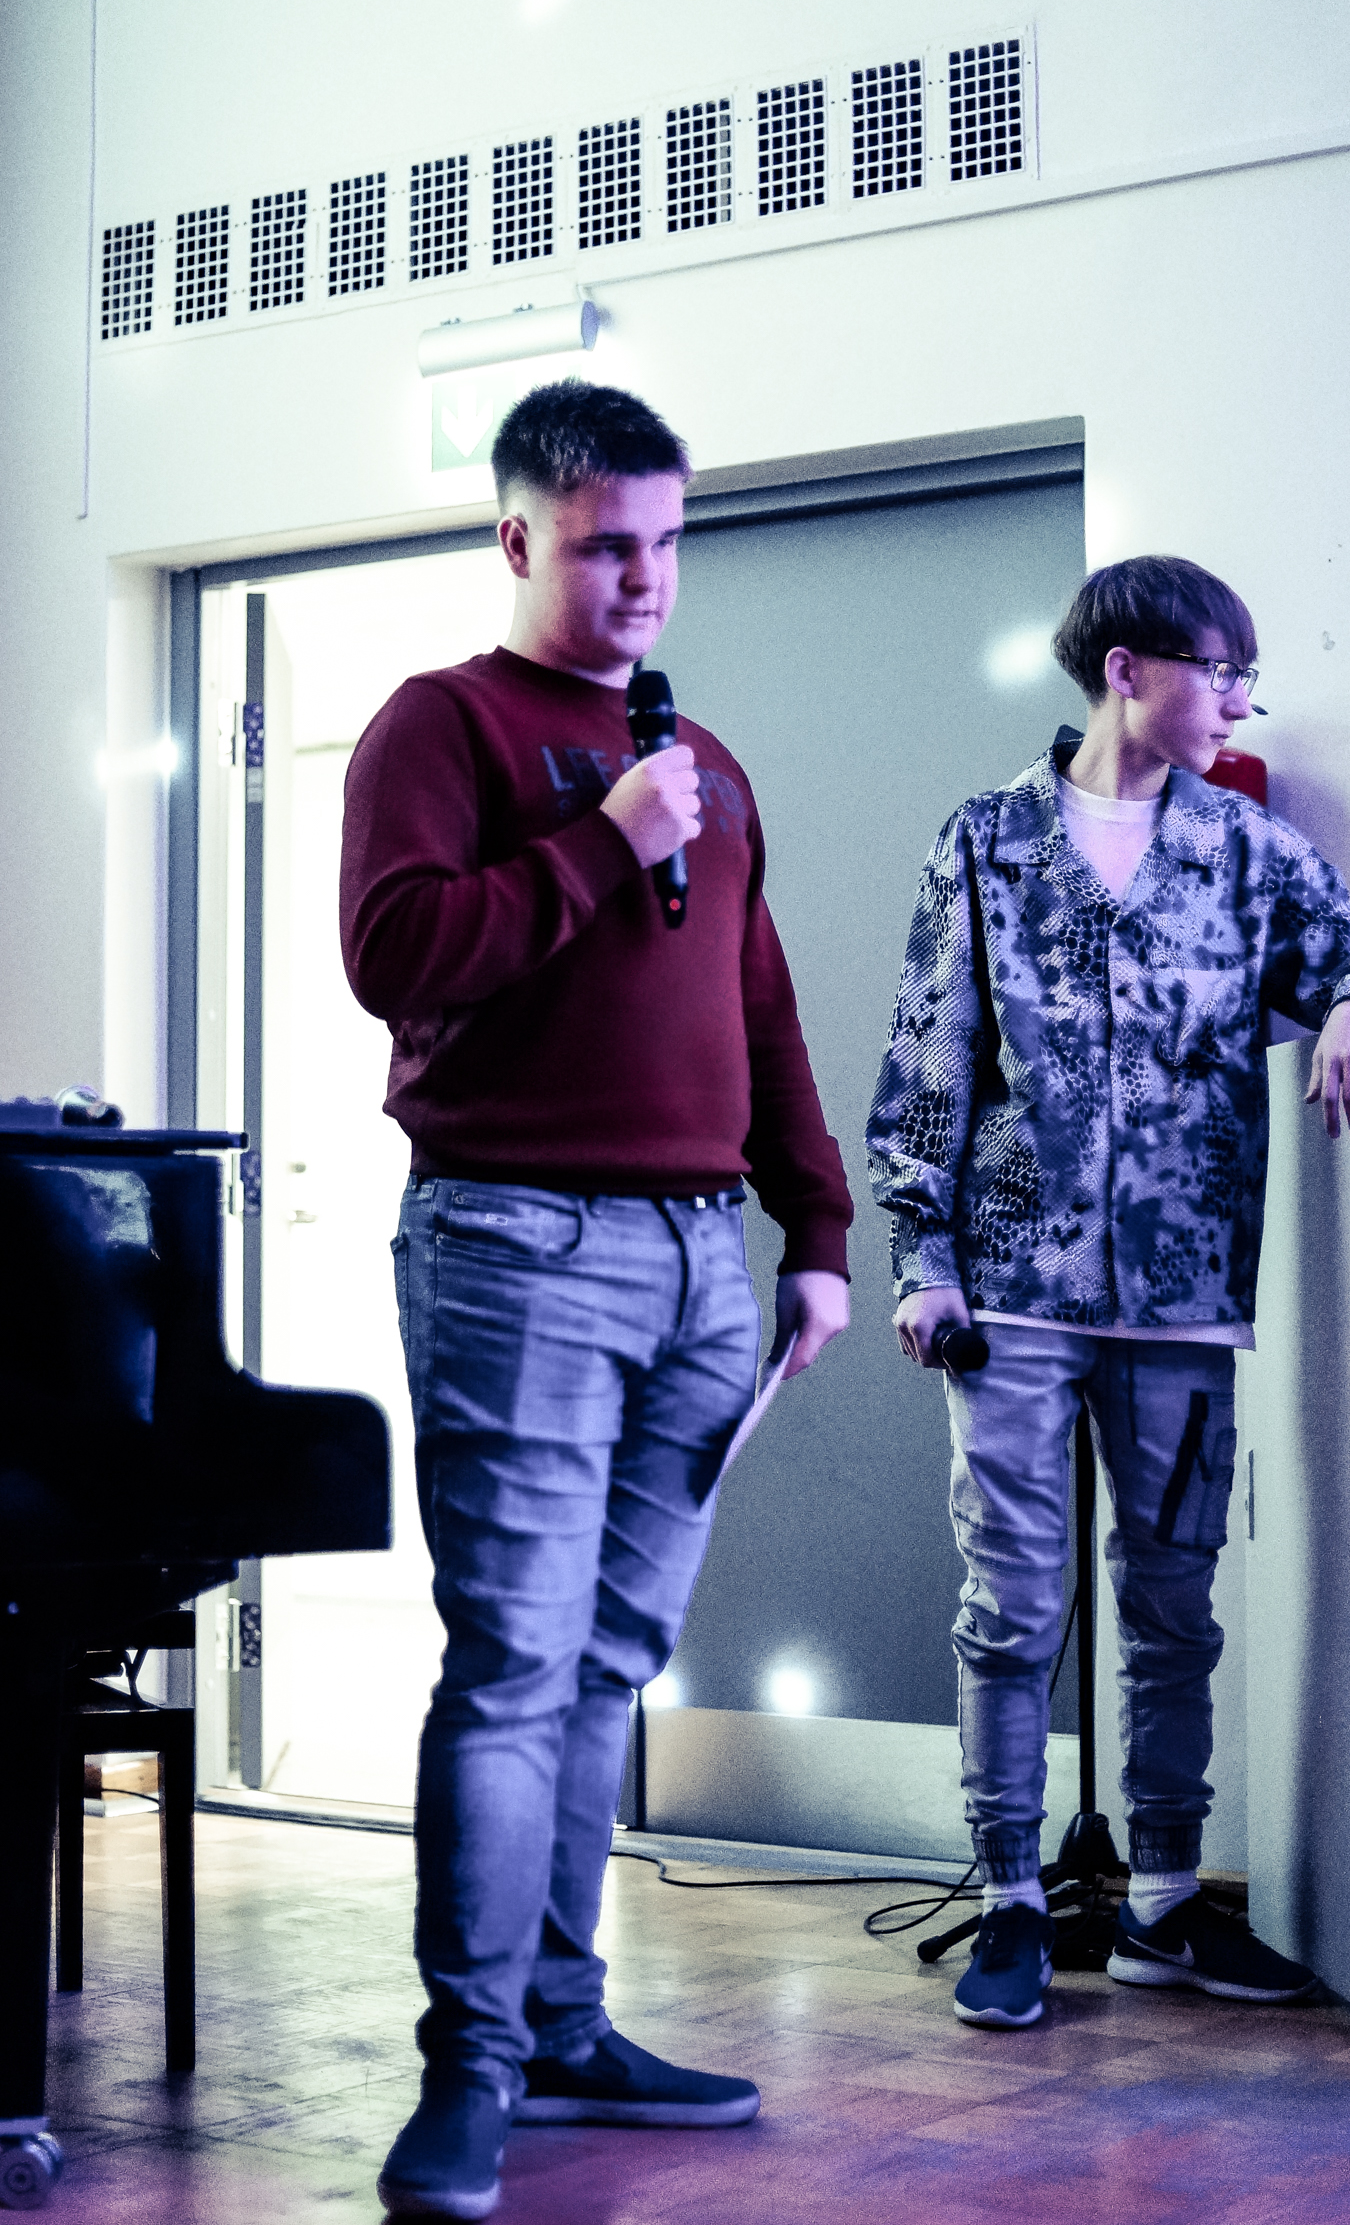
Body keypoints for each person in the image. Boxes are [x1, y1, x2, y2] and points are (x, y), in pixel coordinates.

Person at [340, 379, 852, 2216]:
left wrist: (813, 1234)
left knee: (605, 1672)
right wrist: (599, 843)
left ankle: (560, 2028)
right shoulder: (442, 723)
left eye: (666, 544)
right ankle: (467, 2072)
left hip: (704, 1264)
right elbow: (396, 954)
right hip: (515, 1248)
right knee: (510, 1671)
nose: (644, 579)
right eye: (605, 546)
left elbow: (758, 1008)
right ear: (517, 539)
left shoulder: (702, 758)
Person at [866, 555, 1350, 2033]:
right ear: (1127, 670)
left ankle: (1162, 1904)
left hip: (1183, 1297)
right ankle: (1015, 1895)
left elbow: (1342, 951)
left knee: (1173, 1611)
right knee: (1011, 1608)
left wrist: (1347, 1003)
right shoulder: (987, 842)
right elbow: (930, 1055)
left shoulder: (1246, 850)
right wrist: (922, 1259)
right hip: (1012, 1292)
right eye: (1222, 669)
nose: (1240, 701)